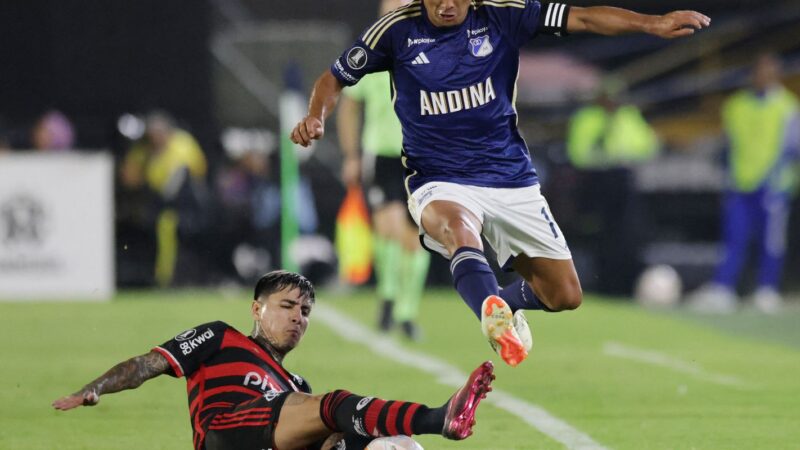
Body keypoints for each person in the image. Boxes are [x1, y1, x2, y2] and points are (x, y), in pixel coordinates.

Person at [291, 0, 710, 366]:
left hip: (510, 178)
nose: (448, 4)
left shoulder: (503, 14)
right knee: (459, 229)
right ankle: (488, 310)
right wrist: (316, 116)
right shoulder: (397, 29)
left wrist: (650, 23)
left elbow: (581, 18)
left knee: (564, 294)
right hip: (438, 178)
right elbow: (335, 77)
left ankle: (504, 304)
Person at [52, 270, 495, 450]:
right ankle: (439, 418)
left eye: (304, 312)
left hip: (269, 439)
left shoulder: (294, 383)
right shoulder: (219, 337)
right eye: (286, 306)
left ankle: (424, 429)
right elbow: (147, 364)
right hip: (224, 433)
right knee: (332, 406)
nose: (297, 318)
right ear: (257, 308)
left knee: (392, 444)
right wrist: (96, 387)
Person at [337, 0, 431, 339]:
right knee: (389, 228)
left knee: (415, 236)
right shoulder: (370, 51)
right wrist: (351, 155)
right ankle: (389, 298)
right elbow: (349, 106)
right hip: (382, 153)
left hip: (421, 155)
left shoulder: (432, 50)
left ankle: (406, 312)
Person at [688, 53, 800, 314]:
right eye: (759, 71)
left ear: (776, 75)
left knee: (770, 241)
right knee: (733, 238)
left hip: (773, 186)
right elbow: (727, 146)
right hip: (739, 184)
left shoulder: (788, 107)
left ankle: (766, 289)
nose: (762, 77)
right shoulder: (735, 105)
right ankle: (723, 289)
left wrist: (775, 178)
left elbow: (793, 148)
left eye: (768, 71)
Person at [566, 78, 659, 295]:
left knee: (626, 236)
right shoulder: (587, 118)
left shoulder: (629, 117)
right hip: (595, 184)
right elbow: (578, 153)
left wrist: (621, 153)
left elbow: (648, 146)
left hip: (623, 183)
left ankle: (623, 285)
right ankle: (598, 284)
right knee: (597, 236)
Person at [120, 110, 208, 287]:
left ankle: (166, 278)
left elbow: (195, 173)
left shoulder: (183, 144)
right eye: (152, 135)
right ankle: (160, 276)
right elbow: (129, 179)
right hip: (155, 203)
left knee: (167, 227)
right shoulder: (143, 150)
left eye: (159, 134)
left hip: (185, 203)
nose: (156, 138)